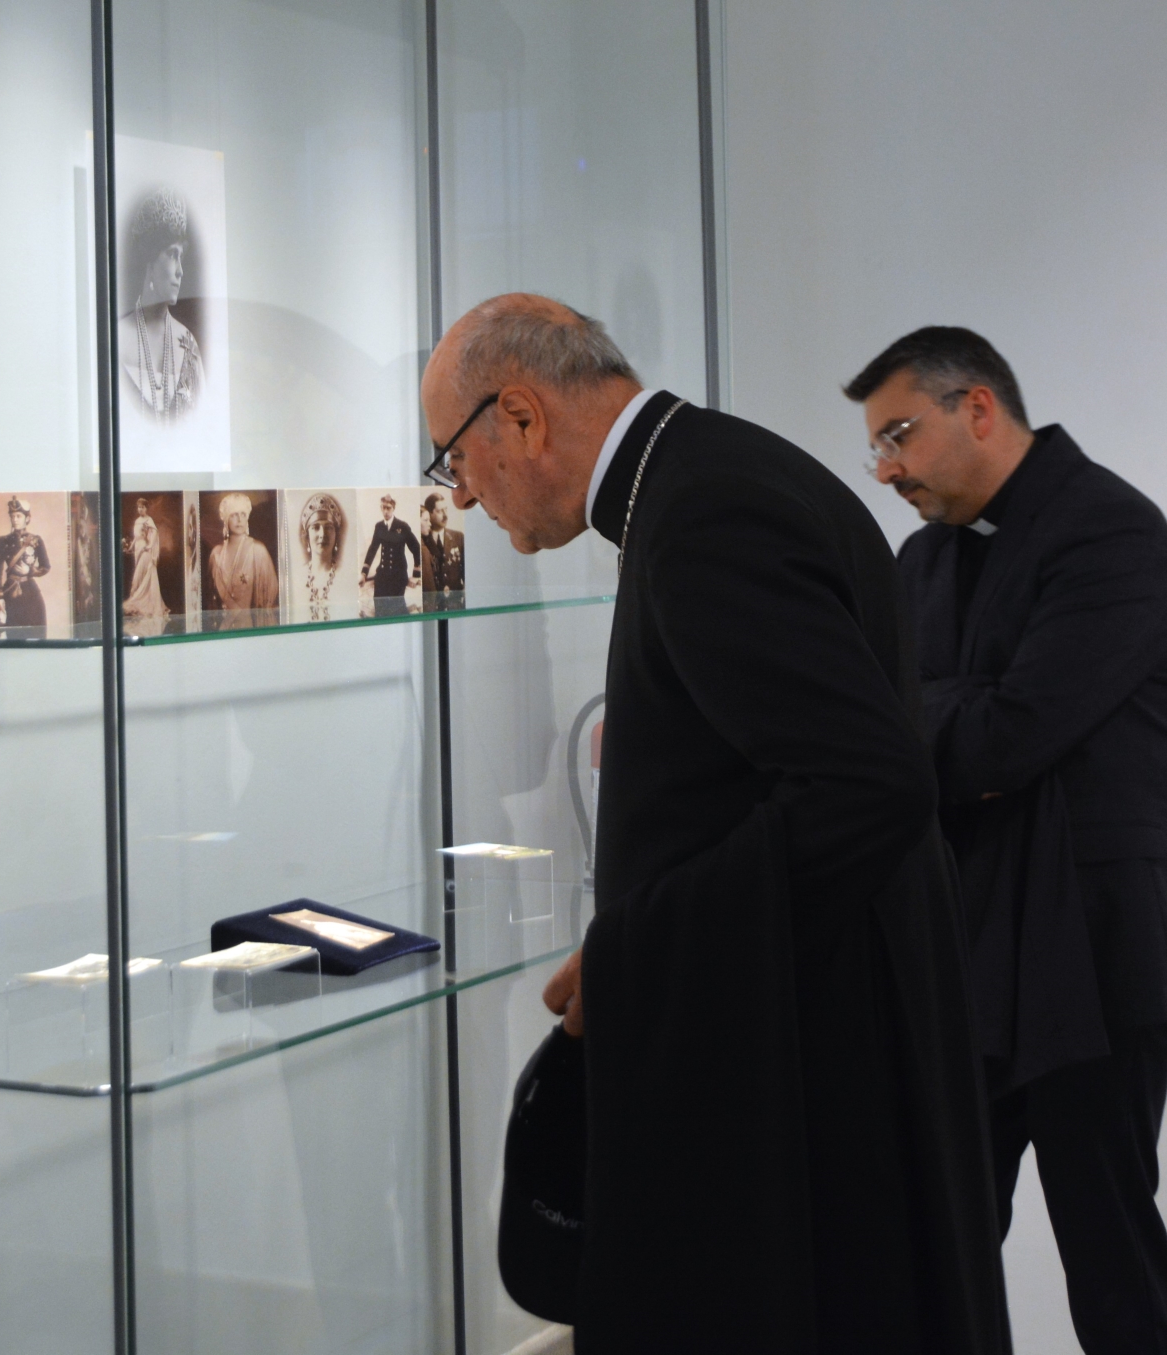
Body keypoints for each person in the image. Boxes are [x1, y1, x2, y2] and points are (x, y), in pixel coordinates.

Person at [421, 294, 1009, 1355]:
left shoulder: (703, 512)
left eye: (454, 459)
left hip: (811, 1066)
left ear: (521, 416)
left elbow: (867, 789)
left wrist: (637, 947)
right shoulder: (711, 473)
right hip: (828, 1020)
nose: (459, 494)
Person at [845, 327, 1167, 1355]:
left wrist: (940, 715)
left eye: (898, 435)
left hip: (1097, 952)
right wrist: (957, 715)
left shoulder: (1112, 530)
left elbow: (1006, 737)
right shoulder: (921, 559)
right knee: (939, 1244)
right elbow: (888, 730)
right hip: (967, 942)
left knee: (1108, 1248)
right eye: (874, 447)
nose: (885, 469)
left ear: (978, 407)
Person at [120, 186, 204, 420]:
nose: (180, 271)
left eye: (181, 257)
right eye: (172, 254)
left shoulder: (188, 345)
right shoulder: (116, 338)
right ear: (150, 261)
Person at [209, 491, 278, 623]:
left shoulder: (258, 551)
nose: (239, 520)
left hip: (249, 625)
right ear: (226, 519)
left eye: (243, 514)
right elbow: (211, 603)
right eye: (234, 515)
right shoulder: (216, 554)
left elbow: (267, 600)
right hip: (223, 627)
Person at [0, 496, 50, 630]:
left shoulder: (36, 540)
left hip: (31, 594)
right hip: (10, 593)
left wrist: (30, 571)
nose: (15, 519)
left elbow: (46, 567)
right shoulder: (3, 541)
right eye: (12, 516)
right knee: (10, 634)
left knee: (35, 633)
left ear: (27, 518)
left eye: (18, 516)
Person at [359, 493, 421, 615]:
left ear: (393, 508)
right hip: (382, 576)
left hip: (398, 577)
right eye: (383, 508)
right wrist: (364, 573)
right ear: (381, 508)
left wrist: (416, 574)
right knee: (380, 611)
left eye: (388, 508)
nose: (386, 511)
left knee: (395, 612)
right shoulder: (379, 526)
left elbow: (416, 547)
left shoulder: (402, 526)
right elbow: (372, 549)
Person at [297, 492, 348, 620]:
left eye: (329, 527)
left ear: (336, 534)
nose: (322, 534)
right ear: (307, 536)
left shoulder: (346, 577)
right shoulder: (297, 577)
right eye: (315, 527)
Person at [122, 497, 168, 625]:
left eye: (142, 507)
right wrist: (130, 547)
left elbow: (154, 535)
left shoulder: (149, 520)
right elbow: (136, 537)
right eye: (138, 507)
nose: (140, 509)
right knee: (139, 576)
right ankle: (139, 602)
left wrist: (149, 546)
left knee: (139, 577)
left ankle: (144, 603)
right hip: (137, 549)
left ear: (146, 508)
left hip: (144, 550)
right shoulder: (137, 521)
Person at [420, 491, 465, 602]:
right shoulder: (422, 541)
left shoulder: (458, 537)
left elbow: (467, 574)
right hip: (432, 603)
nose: (445, 515)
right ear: (429, 514)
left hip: (455, 603)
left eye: (446, 509)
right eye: (439, 511)